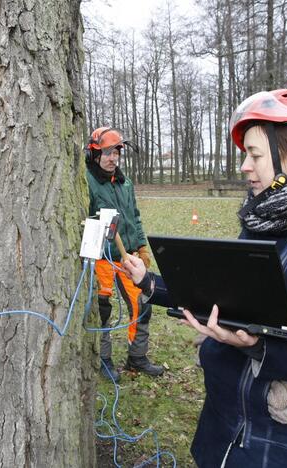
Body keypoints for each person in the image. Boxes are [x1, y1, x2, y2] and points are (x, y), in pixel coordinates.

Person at [120, 90, 287, 467]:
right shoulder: (262, 224)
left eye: (255, 155)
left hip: (278, 447)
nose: (245, 165)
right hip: (220, 433)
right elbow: (225, 301)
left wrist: (260, 348)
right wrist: (150, 282)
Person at [85, 126, 164, 382]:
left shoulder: (124, 182)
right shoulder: (86, 181)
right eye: (107, 153)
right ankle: (103, 359)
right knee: (103, 309)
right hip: (102, 257)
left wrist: (141, 247)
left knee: (142, 304)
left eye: (116, 152)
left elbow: (135, 217)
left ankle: (137, 357)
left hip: (128, 255)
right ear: (95, 154)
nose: (113, 158)